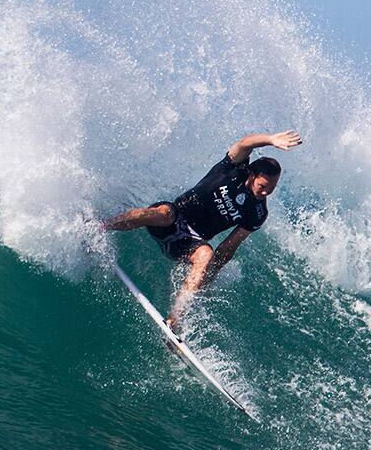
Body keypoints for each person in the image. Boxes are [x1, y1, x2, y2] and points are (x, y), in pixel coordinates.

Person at [104, 130, 302, 333]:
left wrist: (208, 276)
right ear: (251, 175)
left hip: (186, 243)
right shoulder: (232, 169)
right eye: (263, 186)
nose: (266, 192)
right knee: (163, 214)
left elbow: (228, 247)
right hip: (174, 216)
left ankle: (174, 320)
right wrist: (270, 140)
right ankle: (102, 227)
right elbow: (245, 144)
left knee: (206, 254)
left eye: (272, 188)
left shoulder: (258, 212)